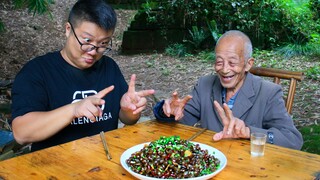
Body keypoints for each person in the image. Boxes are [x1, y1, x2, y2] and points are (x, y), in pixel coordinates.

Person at [10, 0, 155, 152]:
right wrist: (74, 110)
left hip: (105, 161)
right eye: (87, 40)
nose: (93, 51)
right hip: (54, 168)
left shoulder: (109, 67)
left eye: (103, 43)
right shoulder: (37, 71)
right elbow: (22, 133)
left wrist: (128, 111)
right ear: (68, 29)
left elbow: (127, 119)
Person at [153, 30, 303, 150]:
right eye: (219, 62)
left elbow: (292, 139)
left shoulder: (268, 92)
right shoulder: (205, 84)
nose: (224, 70)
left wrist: (249, 132)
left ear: (248, 64)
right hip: (211, 161)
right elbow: (182, 120)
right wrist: (168, 112)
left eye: (232, 62)